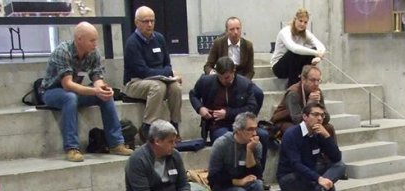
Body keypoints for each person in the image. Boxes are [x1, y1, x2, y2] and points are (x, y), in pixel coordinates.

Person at [41, 22, 133, 162]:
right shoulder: (63, 51)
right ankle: (72, 148)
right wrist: (94, 91)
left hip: (74, 91)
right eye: (92, 40)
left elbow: (97, 77)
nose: (95, 44)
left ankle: (116, 143)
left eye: (96, 40)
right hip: (52, 92)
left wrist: (102, 89)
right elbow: (67, 85)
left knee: (106, 96)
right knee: (70, 97)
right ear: (79, 39)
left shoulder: (93, 53)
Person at [277, 102, 360, 191]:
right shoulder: (292, 134)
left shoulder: (319, 132)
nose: (320, 118)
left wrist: (327, 136)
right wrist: (319, 179)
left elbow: (336, 157)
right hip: (290, 179)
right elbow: (296, 165)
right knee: (328, 186)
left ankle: (320, 190)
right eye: (315, 115)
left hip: (310, 175)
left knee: (340, 166)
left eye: (322, 115)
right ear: (305, 117)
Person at [189, 56, 268, 165]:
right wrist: (200, 108)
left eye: (226, 77)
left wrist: (228, 113)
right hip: (218, 125)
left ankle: (258, 174)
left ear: (233, 71)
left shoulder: (245, 84)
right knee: (228, 139)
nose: (223, 80)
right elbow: (193, 95)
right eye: (220, 77)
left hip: (242, 124)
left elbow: (252, 108)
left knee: (263, 136)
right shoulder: (206, 81)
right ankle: (232, 175)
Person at [123, 6, 182, 140]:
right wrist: (169, 73)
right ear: (137, 22)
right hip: (135, 82)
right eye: (145, 21)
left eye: (152, 21)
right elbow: (143, 71)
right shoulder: (132, 43)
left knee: (175, 88)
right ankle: (147, 126)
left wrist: (169, 74)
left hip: (160, 79)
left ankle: (174, 125)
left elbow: (167, 63)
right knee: (158, 86)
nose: (149, 24)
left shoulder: (160, 38)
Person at [269, 65, 333, 140]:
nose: (316, 84)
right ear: (303, 79)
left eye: (318, 80)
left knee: (329, 128)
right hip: (285, 120)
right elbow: (297, 120)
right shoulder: (294, 93)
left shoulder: (318, 92)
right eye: (312, 80)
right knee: (298, 130)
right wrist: (310, 104)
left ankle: (332, 151)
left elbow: (327, 118)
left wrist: (318, 105)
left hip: (308, 119)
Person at [271, 8, 326, 87]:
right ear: (295, 20)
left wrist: (318, 57)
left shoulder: (306, 33)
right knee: (293, 54)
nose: (302, 24)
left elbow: (320, 46)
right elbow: (294, 48)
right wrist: (316, 53)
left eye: (305, 22)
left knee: (312, 50)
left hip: (295, 64)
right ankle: (293, 86)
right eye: (300, 21)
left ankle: (308, 81)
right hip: (279, 68)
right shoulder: (285, 32)